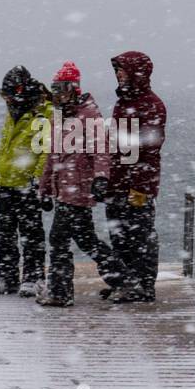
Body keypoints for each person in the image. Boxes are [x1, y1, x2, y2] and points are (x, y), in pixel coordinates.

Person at [36, 62, 122, 307]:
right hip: (65, 189)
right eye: (55, 89)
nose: (58, 94)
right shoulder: (60, 116)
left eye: (61, 88)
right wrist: (44, 189)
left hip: (78, 189)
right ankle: (122, 278)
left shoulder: (88, 114)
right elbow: (52, 156)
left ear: (74, 88)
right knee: (86, 239)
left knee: (59, 239)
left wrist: (101, 178)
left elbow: (101, 150)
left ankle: (60, 292)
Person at [104, 51, 166, 303]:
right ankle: (125, 281)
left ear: (136, 73)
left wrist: (140, 186)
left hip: (136, 183)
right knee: (119, 235)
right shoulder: (123, 102)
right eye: (117, 70)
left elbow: (150, 150)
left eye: (123, 70)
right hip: (117, 181)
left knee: (140, 236)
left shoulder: (151, 104)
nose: (118, 74)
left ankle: (143, 284)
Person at [0, 66, 52, 296]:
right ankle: (7, 277)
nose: (5, 100)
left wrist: (38, 181)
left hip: (27, 185)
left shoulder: (42, 113)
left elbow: (45, 151)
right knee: (4, 233)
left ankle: (33, 277)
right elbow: (5, 145)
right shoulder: (14, 110)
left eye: (7, 95)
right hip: (6, 182)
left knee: (31, 234)